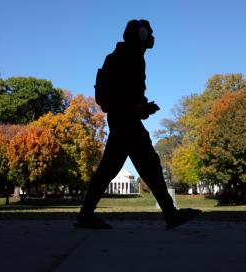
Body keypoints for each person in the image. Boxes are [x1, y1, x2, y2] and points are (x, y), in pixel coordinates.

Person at [75, 19, 201, 230]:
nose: (152, 37)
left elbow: (130, 95)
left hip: (124, 121)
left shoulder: (132, 58)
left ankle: (86, 214)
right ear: (140, 36)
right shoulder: (125, 59)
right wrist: (136, 109)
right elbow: (114, 98)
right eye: (149, 33)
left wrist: (142, 107)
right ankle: (170, 214)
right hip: (125, 121)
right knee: (147, 164)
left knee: (111, 168)